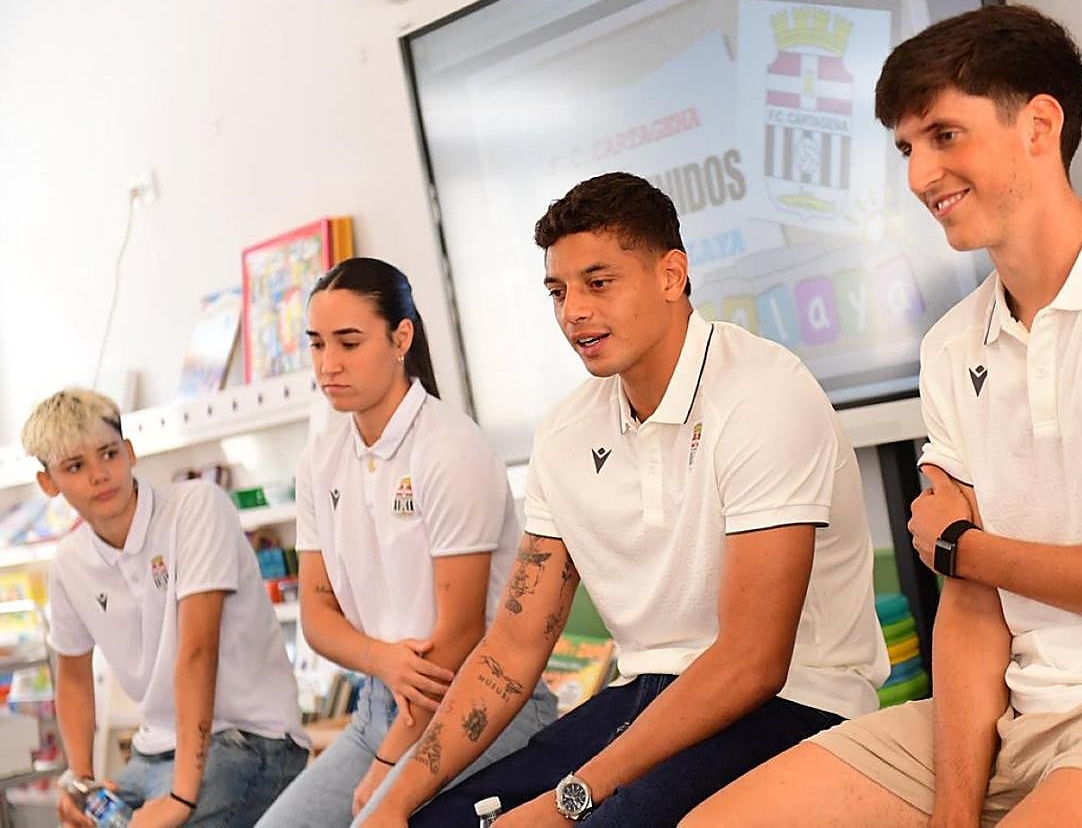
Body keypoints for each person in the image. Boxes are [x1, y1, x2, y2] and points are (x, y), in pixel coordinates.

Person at [682, 3, 1082, 827]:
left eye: (944, 136)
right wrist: (954, 812)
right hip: (1016, 704)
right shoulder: (952, 345)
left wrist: (969, 546)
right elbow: (968, 602)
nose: (920, 176)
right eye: (905, 148)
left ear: (1039, 124)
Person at [360, 171, 888, 827]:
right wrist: (397, 797)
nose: (572, 311)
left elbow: (753, 662)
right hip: (639, 695)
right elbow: (512, 649)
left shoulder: (763, 394)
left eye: (598, 282)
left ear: (672, 276)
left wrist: (569, 799)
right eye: (558, 291)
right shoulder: (565, 434)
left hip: (797, 700)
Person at [256, 257, 557, 828]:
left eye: (349, 342)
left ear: (401, 337)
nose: (329, 364)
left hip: (478, 701)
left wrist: (391, 764)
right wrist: (385, 663)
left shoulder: (450, 448)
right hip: (380, 704)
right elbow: (318, 616)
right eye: (318, 345)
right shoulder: (320, 462)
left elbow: (461, 636)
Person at [22, 389, 309, 828]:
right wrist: (81, 783)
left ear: (130, 452)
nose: (99, 475)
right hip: (153, 752)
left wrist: (181, 796)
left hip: (253, 741)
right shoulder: (69, 562)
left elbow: (197, 653)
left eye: (108, 454)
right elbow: (74, 678)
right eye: (75, 467)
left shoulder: (196, 506)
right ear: (48, 483)